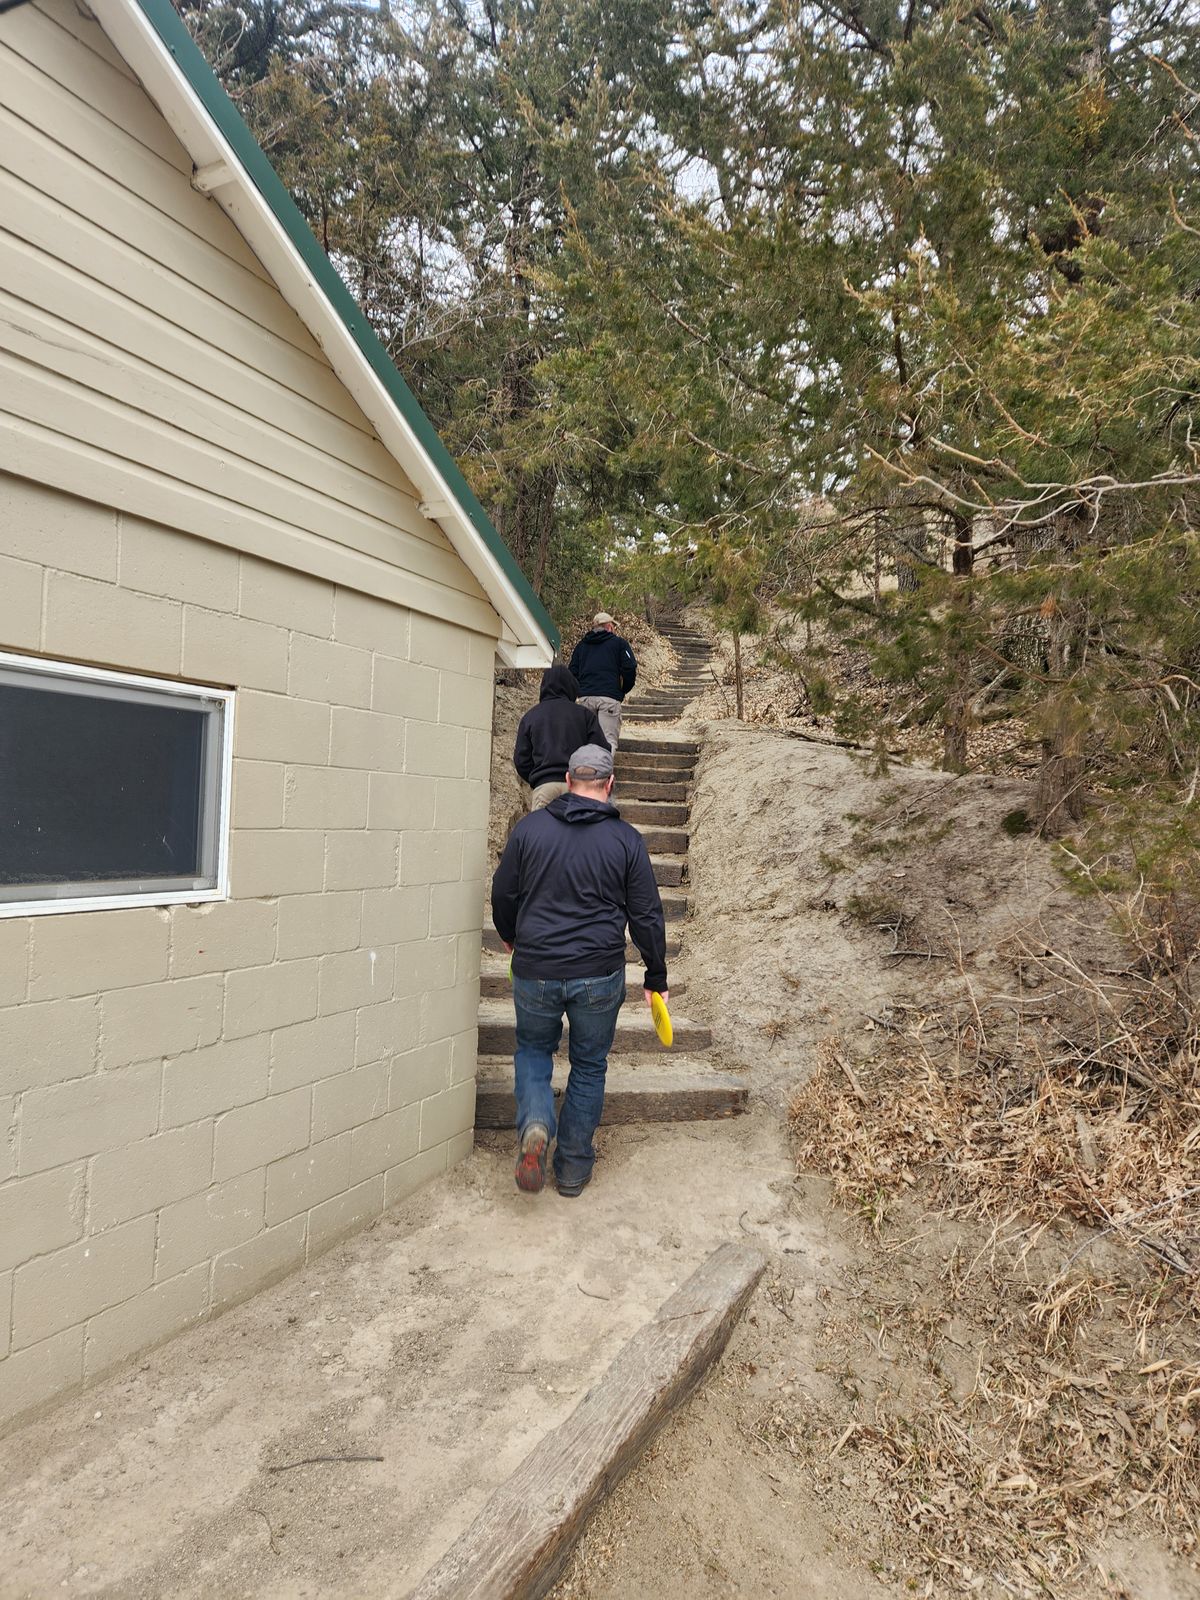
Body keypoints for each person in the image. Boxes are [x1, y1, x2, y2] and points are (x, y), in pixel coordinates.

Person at [491, 743, 668, 1197]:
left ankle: (535, 1123)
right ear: (608, 786)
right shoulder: (626, 839)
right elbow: (647, 914)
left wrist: (512, 938)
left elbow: (503, 894)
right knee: (589, 1064)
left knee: (533, 1050)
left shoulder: (530, 830)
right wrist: (655, 977)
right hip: (597, 973)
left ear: (567, 782)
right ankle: (571, 1170)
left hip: (536, 967)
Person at [512, 663, 609, 811]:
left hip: (544, 786)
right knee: (577, 833)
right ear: (571, 686)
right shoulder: (584, 715)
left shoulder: (531, 716)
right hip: (578, 786)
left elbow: (521, 760)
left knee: (542, 833)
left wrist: (538, 777)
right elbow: (601, 751)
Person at [567, 612, 637, 752]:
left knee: (586, 741)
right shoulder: (619, 644)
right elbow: (630, 667)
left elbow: (572, 672)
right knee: (608, 741)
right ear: (610, 627)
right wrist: (622, 690)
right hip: (609, 698)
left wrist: (580, 692)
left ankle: (586, 773)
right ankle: (604, 773)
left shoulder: (581, 646)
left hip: (586, 698)